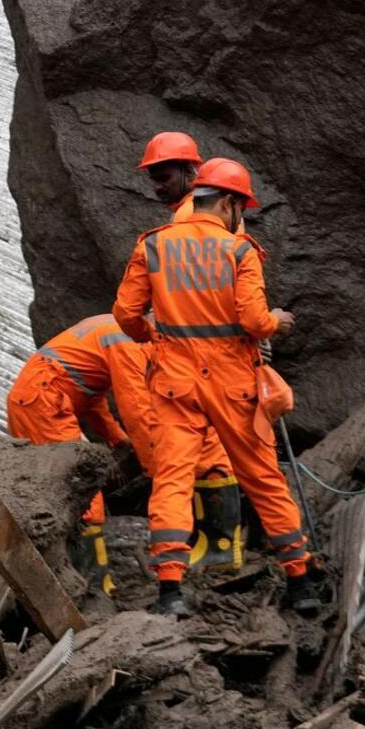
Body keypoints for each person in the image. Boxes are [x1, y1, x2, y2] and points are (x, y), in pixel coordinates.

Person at [112, 158, 317, 617]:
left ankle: (170, 591)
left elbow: (126, 316)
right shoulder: (240, 251)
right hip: (233, 385)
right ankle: (301, 583)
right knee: (263, 479)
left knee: (172, 480)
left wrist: (155, 336)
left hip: (174, 384)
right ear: (228, 203)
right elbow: (253, 321)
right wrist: (278, 323)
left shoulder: (154, 246)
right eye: (240, 208)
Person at [6, 314, 171, 594]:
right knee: (80, 489)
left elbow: (92, 398)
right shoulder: (129, 342)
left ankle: (72, 574)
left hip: (38, 398)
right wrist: (156, 467)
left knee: (54, 490)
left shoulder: (112, 327)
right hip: (44, 402)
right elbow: (137, 411)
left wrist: (118, 441)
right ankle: (92, 584)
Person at [139, 131, 245, 566]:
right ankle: (221, 543)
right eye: (153, 179)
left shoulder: (188, 221)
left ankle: (217, 545)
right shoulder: (221, 215)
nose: (157, 186)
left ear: (190, 172)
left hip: (198, 357)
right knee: (213, 445)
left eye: (163, 176)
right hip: (219, 353)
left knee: (197, 452)